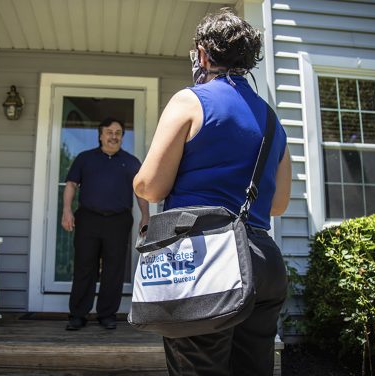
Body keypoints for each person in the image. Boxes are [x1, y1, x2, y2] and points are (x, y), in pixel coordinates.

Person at [133, 8, 292, 376]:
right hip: (263, 262)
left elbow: (150, 186)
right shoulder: (271, 119)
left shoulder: (190, 100)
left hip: (204, 261)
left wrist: (139, 179)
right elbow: (279, 204)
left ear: (203, 54)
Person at [62, 117, 149, 331]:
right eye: (109, 132)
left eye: (118, 132)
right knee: (84, 267)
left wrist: (146, 216)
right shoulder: (85, 159)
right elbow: (71, 184)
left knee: (114, 269)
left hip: (118, 221)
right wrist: (66, 210)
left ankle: (107, 314)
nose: (113, 136)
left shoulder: (130, 162)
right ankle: (78, 314)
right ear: (100, 135)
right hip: (88, 218)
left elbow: (140, 193)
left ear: (122, 137)